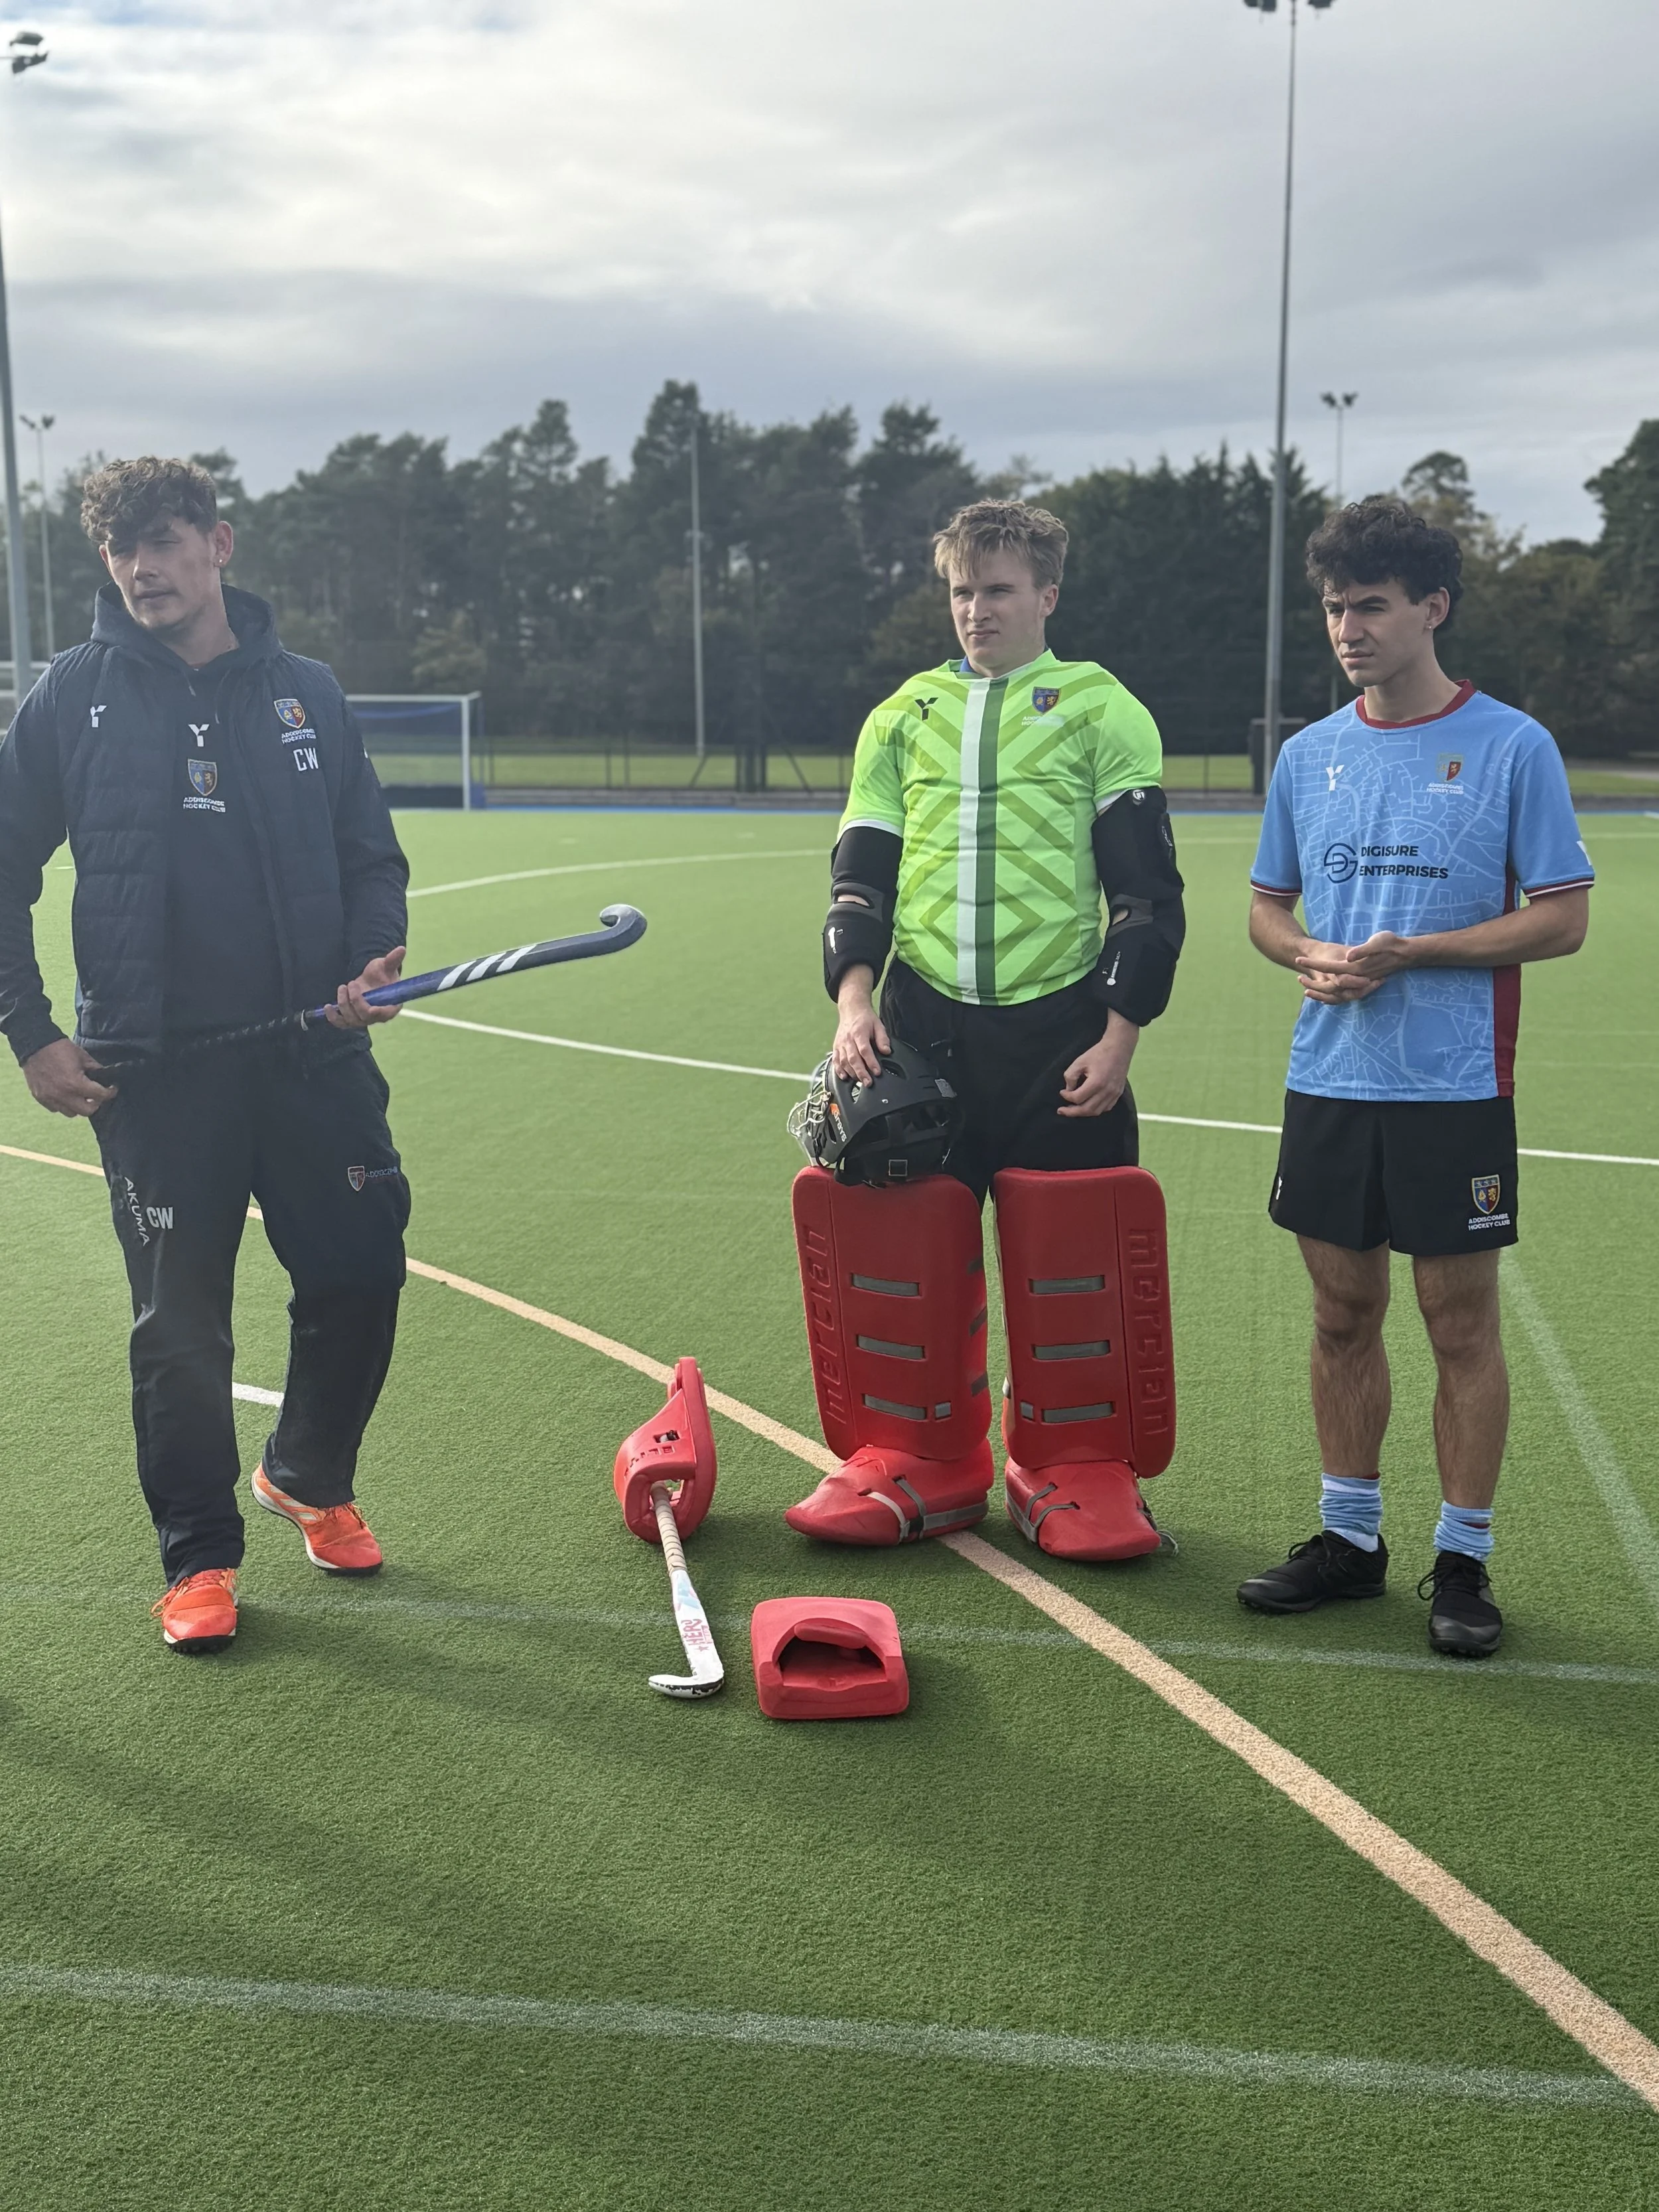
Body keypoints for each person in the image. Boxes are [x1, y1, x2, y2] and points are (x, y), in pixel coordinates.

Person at [0, 457, 411, 1657]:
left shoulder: (307, 694)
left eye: (166, 542)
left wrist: (375, 955)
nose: (142, 568)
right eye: (122, 550)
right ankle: (200, 1559)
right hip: (153, 1076)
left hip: (313, 1060)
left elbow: (368, 852)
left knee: (358, 1276)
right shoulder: (67, 698)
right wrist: (31, 1033)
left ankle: (306, 1472)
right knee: (179, 1325)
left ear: (219, 544)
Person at [785, 498, 1187, 1560]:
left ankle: (1074, 1465)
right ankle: (923, 1457)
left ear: (1047, 595)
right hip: (919, 1031)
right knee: (900, 1247)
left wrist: (1120, 1034)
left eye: (998, 590)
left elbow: (1145, 896)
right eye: (962, 591)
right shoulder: (902, 716)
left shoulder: (1105, 711)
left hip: (1063, 1033)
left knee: (1074, 1258)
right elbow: (858, 881)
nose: (976, 610)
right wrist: (854, 1007)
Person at [1238, 496, 1593, 1657]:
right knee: (1342, 1313)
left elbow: (1563, 919)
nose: (1348, 627)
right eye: (1335, 607)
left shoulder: (1511, 746)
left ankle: (1464, 1559)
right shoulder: (1310, 754)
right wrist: (1304, 954)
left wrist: (1415, 956)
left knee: (1458, 1324)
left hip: (1453, 1088)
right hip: (1331, 1080)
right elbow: (1267, 908)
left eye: (1371, 607)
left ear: (1432, 609)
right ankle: (1349, 1543)